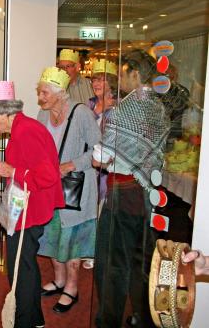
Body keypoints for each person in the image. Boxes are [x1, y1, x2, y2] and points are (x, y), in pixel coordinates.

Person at [92, 49, 170, 328]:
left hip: (122, 193)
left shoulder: (126, 108)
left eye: (122, 73)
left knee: (111, 264)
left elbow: (98, 158)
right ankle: (141, 317)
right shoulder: (159, 107)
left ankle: (108, 321)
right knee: (141, 260)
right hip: (146, 192)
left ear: (135, 73)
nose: (120, 79)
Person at [0, 80, 64, 328]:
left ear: (3, 111)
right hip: (26, 208)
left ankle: (24, 322)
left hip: (31, 210)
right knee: (25, 264)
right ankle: (35, 319)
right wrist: (12, 171)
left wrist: (13, 171)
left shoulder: (27, 131)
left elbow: (49, 175)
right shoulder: (20, 129)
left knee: (20, 270)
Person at [36, 67, 101, 313]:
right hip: (50, 187)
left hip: (78, 189)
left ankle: (71, 288)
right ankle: (59, 279)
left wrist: (71, 164)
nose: (40, 97)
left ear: (60, 93)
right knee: (52, 235)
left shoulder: (82, 112)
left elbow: (98, 151)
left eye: (44, 92)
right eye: (39, 91)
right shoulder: (42, 115)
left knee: (73, 239)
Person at [83, 59, 119, 269]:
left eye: (102, 79)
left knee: (101, 209)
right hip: (88, 162)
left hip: (105, 167)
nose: (97, 83)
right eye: (95, 79)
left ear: (111, 83)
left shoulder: (118, 107)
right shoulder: (89, 103)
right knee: (88, 206)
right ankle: (87, 248)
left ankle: (97, 252)